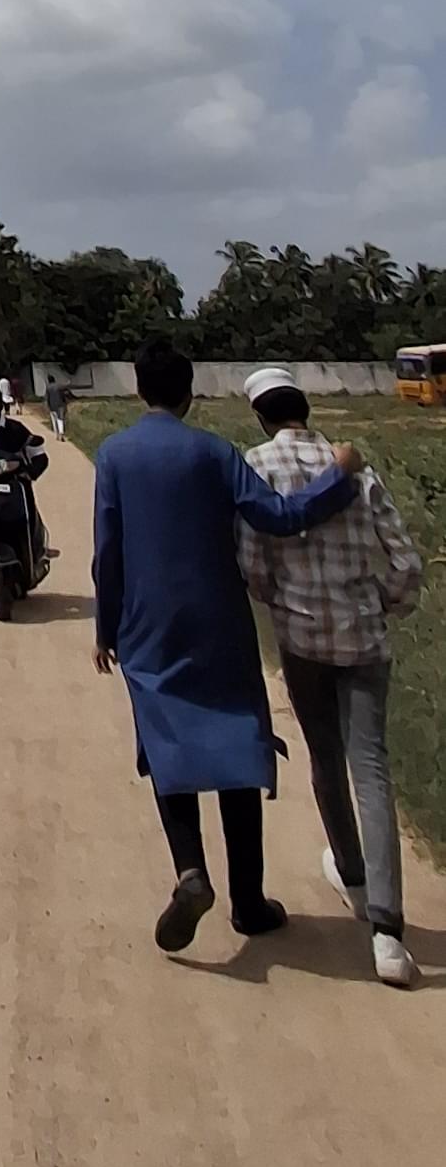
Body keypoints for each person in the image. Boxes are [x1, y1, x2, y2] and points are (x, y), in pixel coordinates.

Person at [92, 337, 362, 952]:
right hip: (218, 621)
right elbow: (280, 515)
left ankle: (191, 871)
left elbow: (108, 551)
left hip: (147, 627)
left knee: (169, 746)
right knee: (238, 742)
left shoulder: (113, 455)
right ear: (190, 395)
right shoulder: (215, 452)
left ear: (139, 392)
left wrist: (106, 629)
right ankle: (248, 901)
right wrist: (338, 477)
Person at [238, 366, 424, 989]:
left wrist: (282, 603)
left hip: (302, 638)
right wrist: (385, 603)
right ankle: (388, 933)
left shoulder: (257, 466)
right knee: (372, 768)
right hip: (364, 637)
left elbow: (252, 564)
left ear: (260, 415)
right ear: (305, 409)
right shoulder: (353, 466)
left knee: (325, 759)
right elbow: (404, 560)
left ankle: (351, 871)